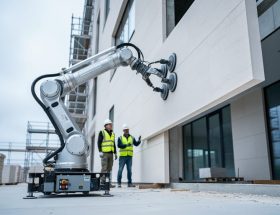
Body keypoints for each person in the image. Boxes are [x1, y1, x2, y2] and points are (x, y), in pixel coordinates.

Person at [98, 119, 118, 188]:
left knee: (109, 168)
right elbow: (99, 142)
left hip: (111, 154)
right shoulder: (102, 132)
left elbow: (113, 144)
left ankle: (107, 182)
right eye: (109, 124)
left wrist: (115, 153)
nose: (111, 126)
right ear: (106, 126)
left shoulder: (112, 134)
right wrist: (100, 151)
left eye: (111, 124)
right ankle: (102, 181)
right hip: (104, 153)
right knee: (104, 167)